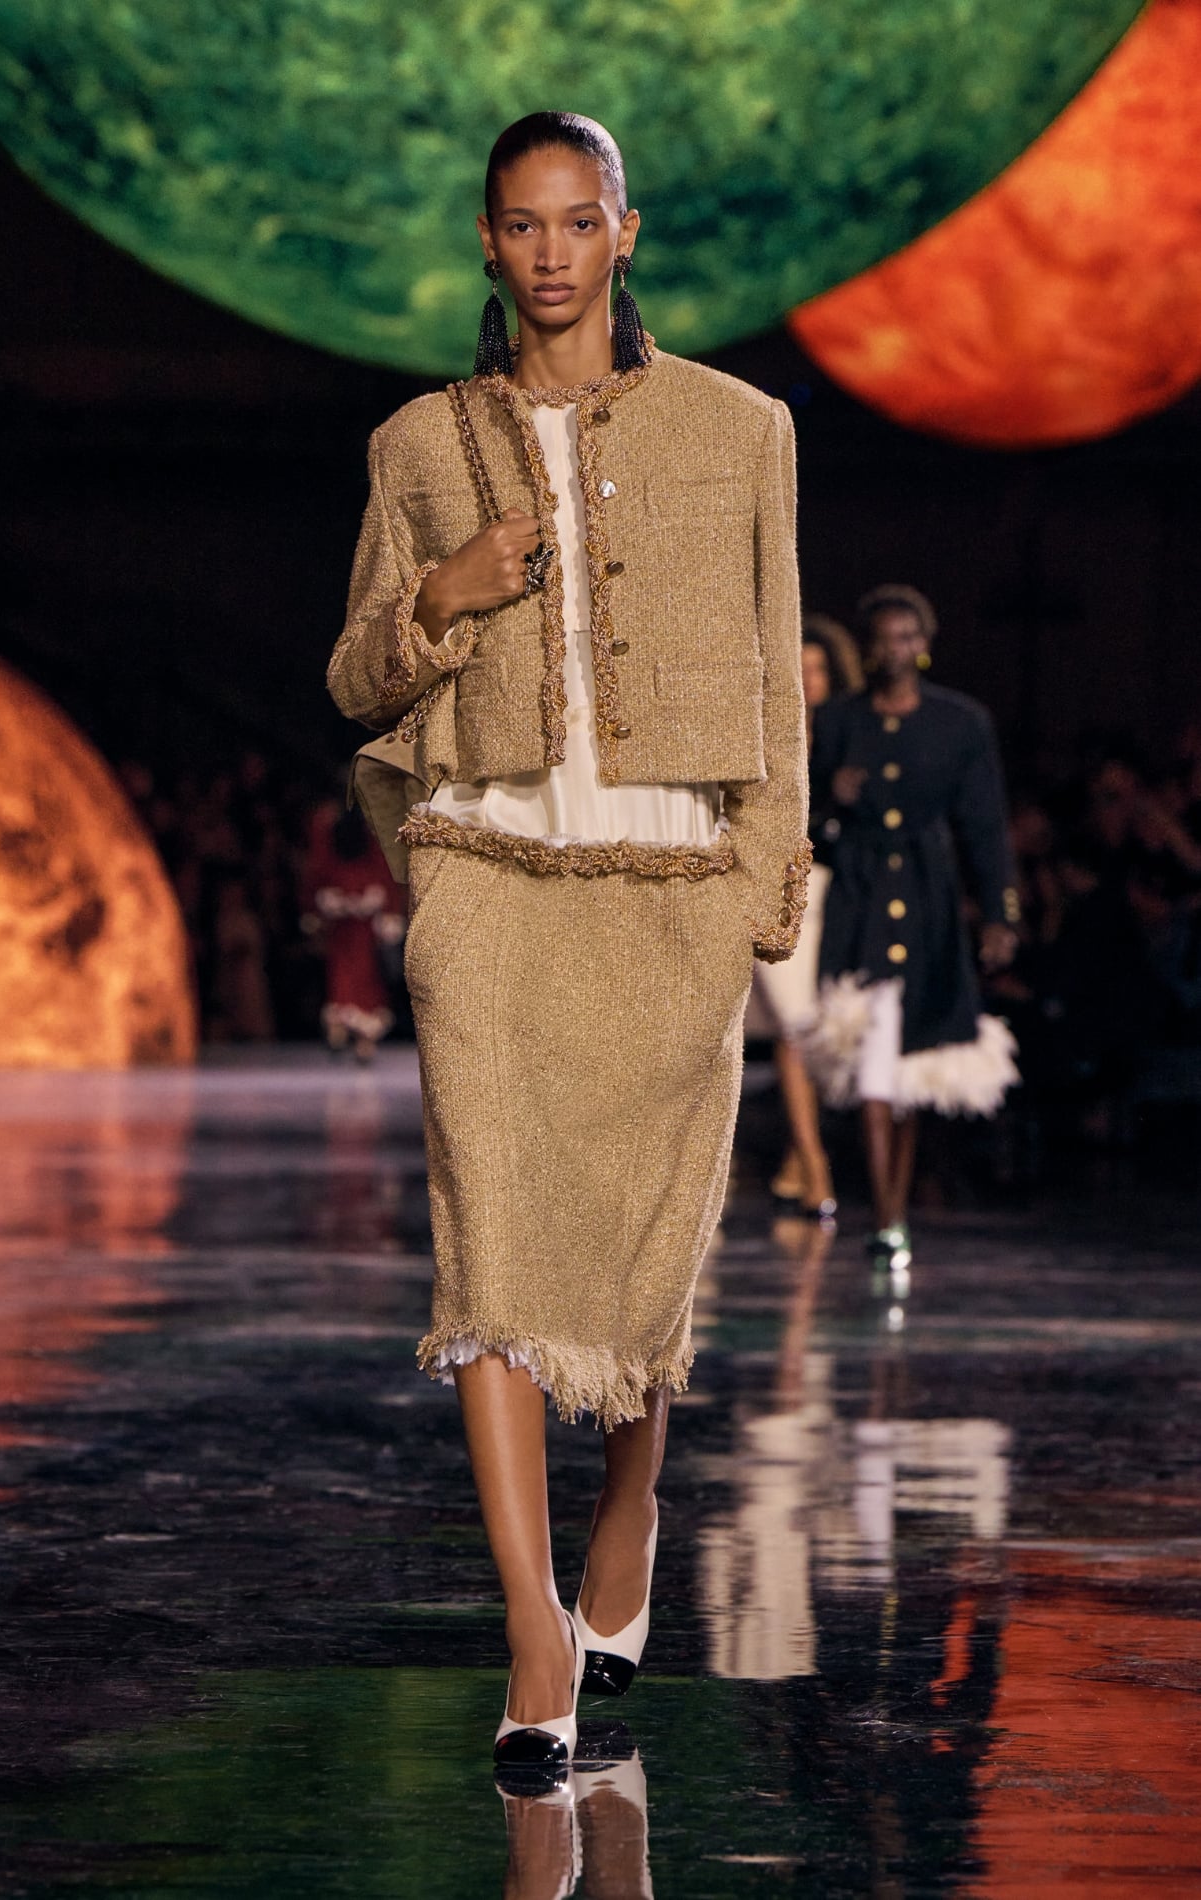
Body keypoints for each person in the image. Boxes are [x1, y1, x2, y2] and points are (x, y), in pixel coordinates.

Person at [327, 112, 808, 1779]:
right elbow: (354, 686)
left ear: (623, 234)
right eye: (517, 225)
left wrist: (759, 887)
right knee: (494, 1268)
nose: (547, 251)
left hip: (666, 896)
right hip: (489, 888)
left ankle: (632, 1502)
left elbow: (766, 687)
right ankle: (532, 1625)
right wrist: (447, 592)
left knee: (625, 1265)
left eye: (575, 221)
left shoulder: (738, 434)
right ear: (484, 243)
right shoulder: (415, 445)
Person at [803, 587, 1020, 1270]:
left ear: (922, 643)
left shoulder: (961, 724)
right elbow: (803, 822)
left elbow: (985, 826)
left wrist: (1000, 912)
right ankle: (887, 1215)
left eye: (905, 637)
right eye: (882, 638)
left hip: (927, 900)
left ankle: (893, 1206)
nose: (893, 650)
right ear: (867, 648)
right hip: (861, 900)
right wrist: (831, 801)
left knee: (913, 1066)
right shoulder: (839, 720)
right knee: (870, 1058)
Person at [749, 615, 863, 1220]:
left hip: (835, 891)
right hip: (777, 883)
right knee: (796, 1026)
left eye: (818, 667)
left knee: (820, 1026)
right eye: (800, 666)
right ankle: (815, 1163)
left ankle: (800, 1157)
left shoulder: (852, 733)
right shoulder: (767, 734)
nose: (809, 678)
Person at [303, 792, 404, 1061]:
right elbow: (319, 867)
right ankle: (349, 1033)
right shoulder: (332, 838)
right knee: (344, 978)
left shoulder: (365, 838)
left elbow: (382, 872)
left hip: (362, 930)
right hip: (346, 928)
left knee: (362, 979)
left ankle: (360, 1037)